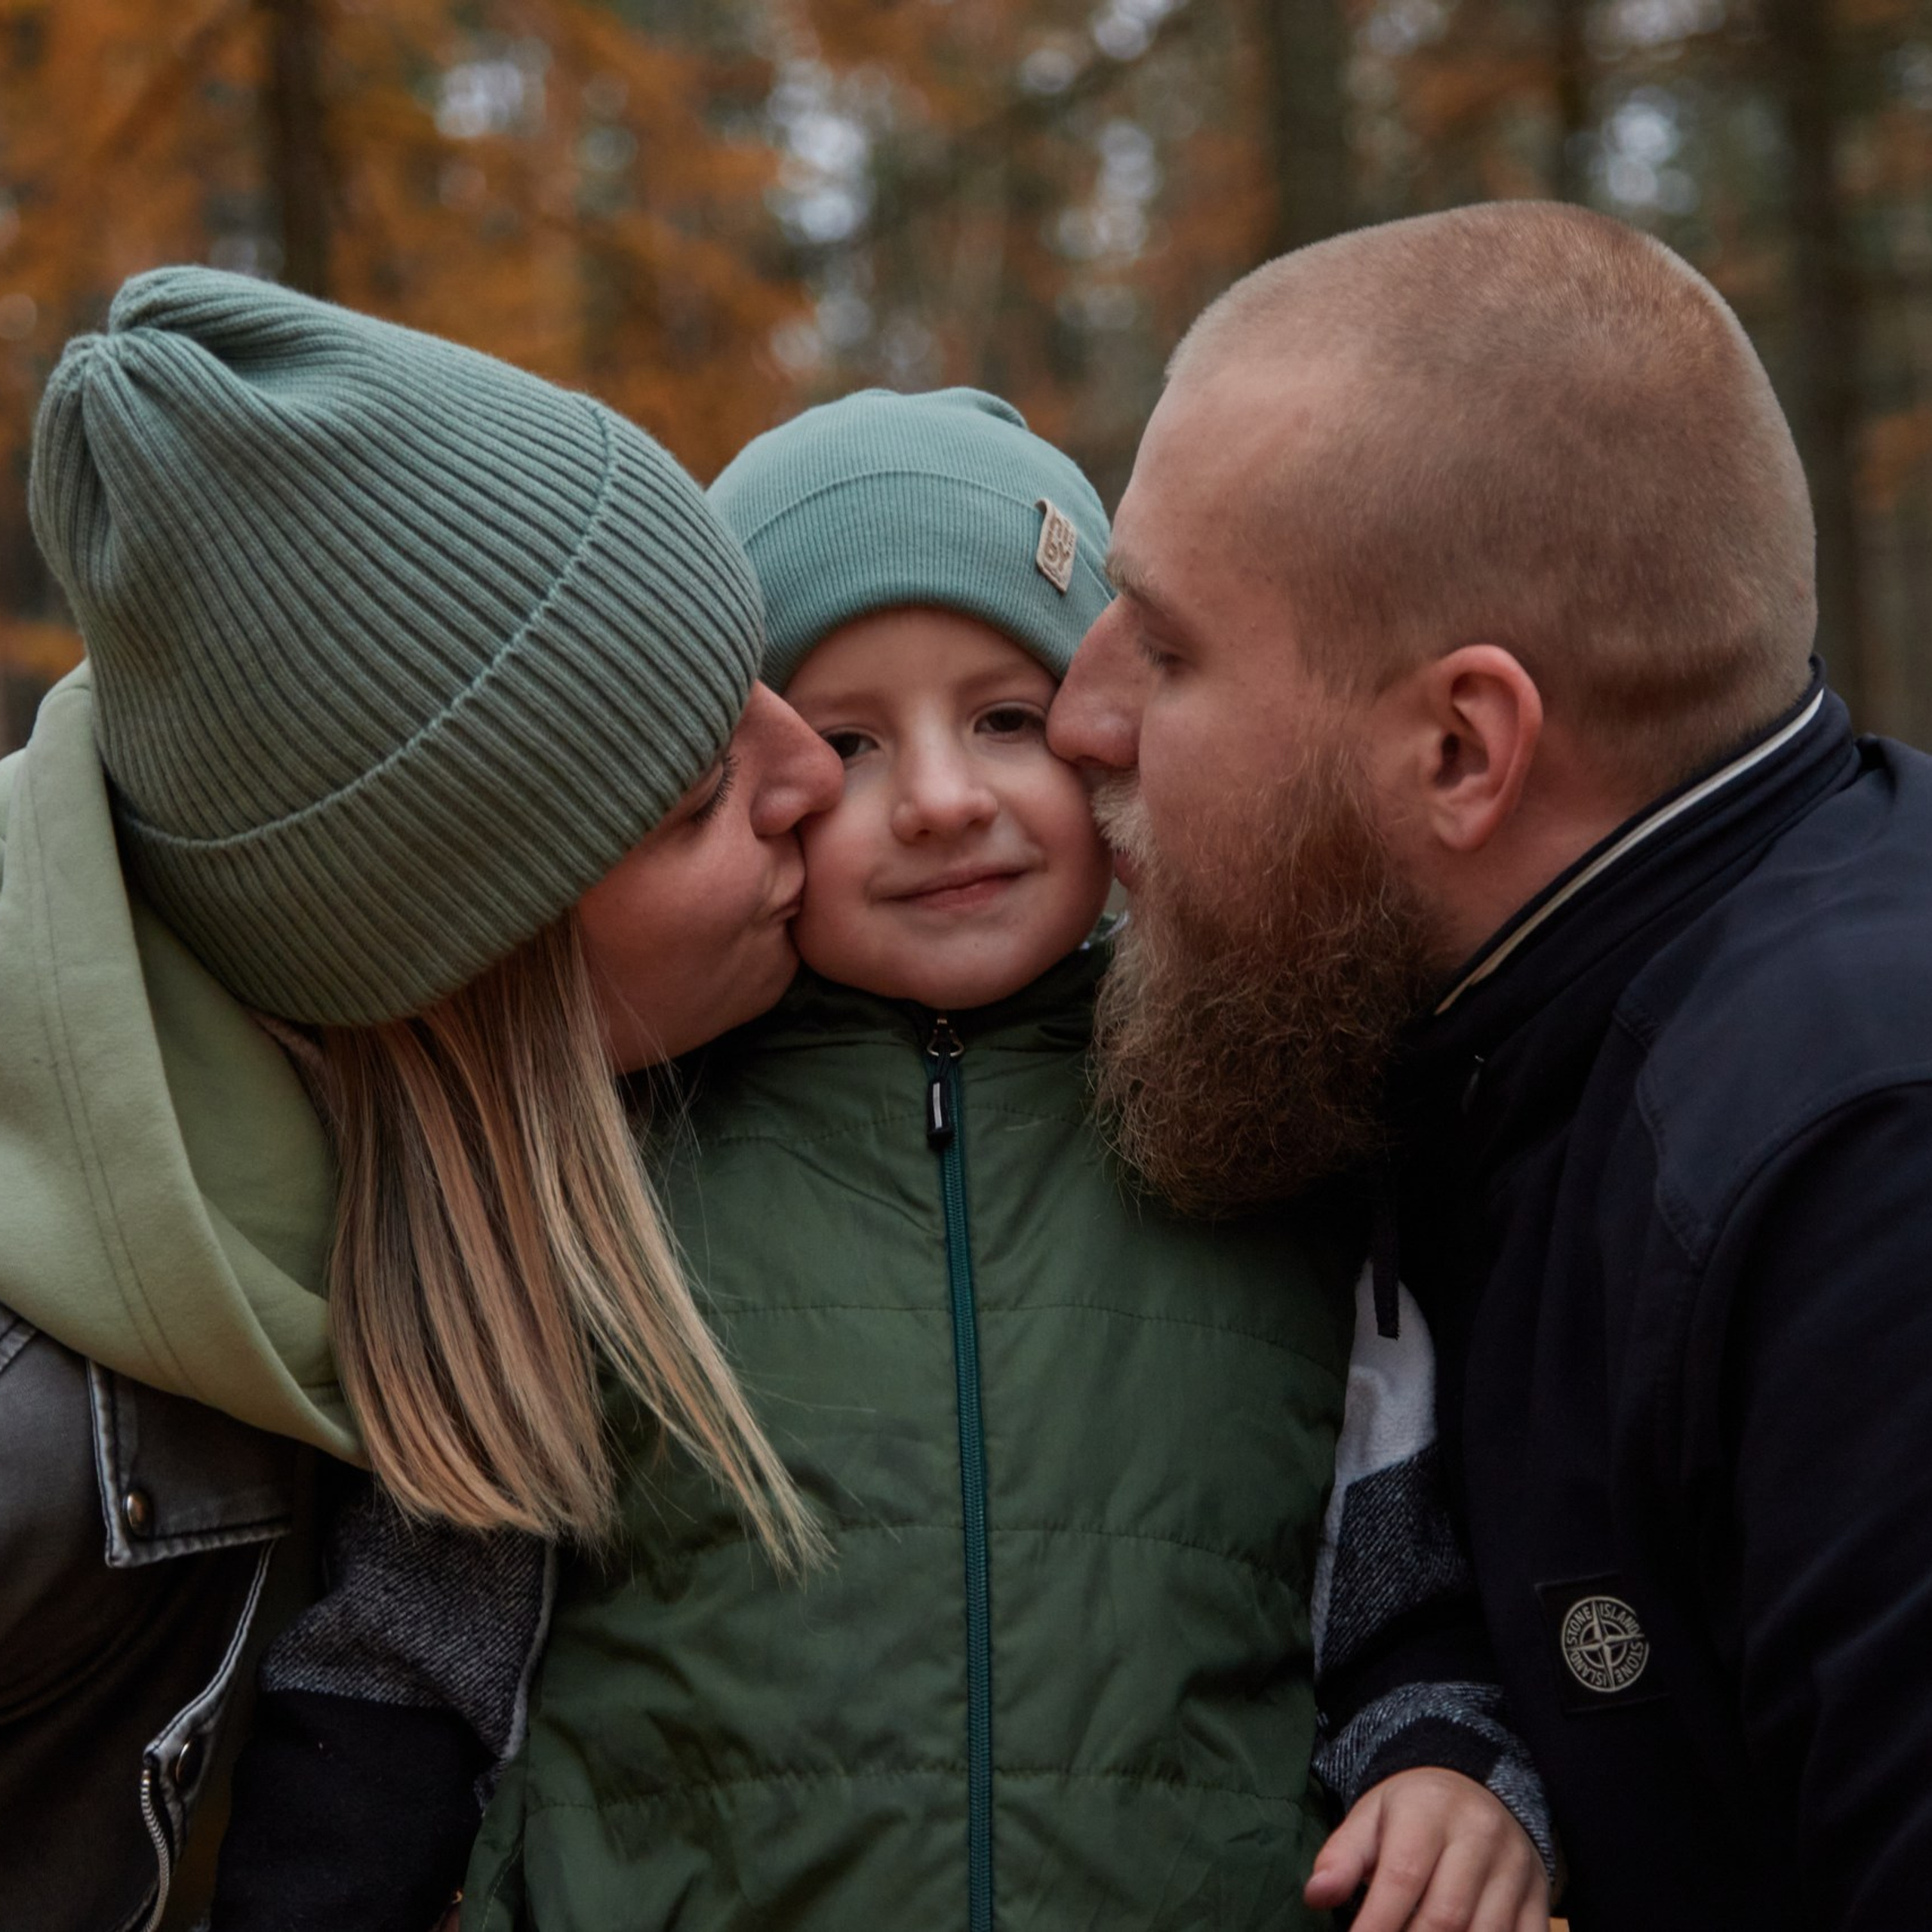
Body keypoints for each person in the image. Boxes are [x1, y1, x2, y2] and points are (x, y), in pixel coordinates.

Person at [221, 386, 1552, 1932]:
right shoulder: (609, 1155)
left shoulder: (1268, 1116)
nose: (940, 799)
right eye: (848, 741)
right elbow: (404, 1661)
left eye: (1005, 718)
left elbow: (1406, 1590)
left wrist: (1450, 1760)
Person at [1048, 197, 1932, 1928]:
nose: (1079, 712)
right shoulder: (1451, 1029)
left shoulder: (1862, 1171)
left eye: (1164, 645)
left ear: (1459, 749)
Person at [0, 264, 843, 1932]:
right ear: (452, 968)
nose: (814, 767)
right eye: (695, 800)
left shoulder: (385, 1151)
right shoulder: (35, 1441)